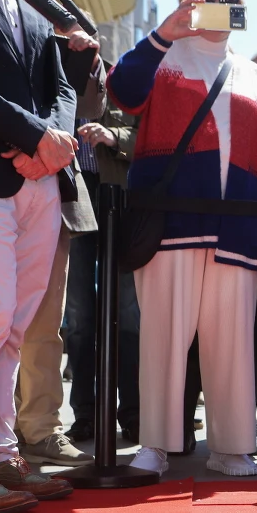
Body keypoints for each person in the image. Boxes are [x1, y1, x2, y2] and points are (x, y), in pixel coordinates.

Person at [107, 0, 257, 477]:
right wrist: (164, 33)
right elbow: (122, 90)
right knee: (163, 334)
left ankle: (232, 445)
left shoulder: (254, 73)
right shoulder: (163, 56)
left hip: (241, 226)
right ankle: (155, 445)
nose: (212, 4)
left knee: (233, 339)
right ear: (184, 2)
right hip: (171, 222)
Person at [0, 0, 81, 513]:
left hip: (41, 178)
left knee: (16, 324)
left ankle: (0, 453)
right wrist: (34, 135)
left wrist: (54, 143)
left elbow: (60, 83)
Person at [14, 10, 103, 470]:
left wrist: (80, 52)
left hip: (53, 194)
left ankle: (39, 429)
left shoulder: (63, 40)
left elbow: (87, 106)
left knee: (45, 326)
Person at [73, 65, 143, 448]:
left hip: (120, 201)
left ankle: (132, 413)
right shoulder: (50, 76)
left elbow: (148, 137)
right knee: (80, 316)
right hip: (71, 200)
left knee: (128, 314)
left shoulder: (124, 79)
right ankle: (84, 414)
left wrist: (112, 134)